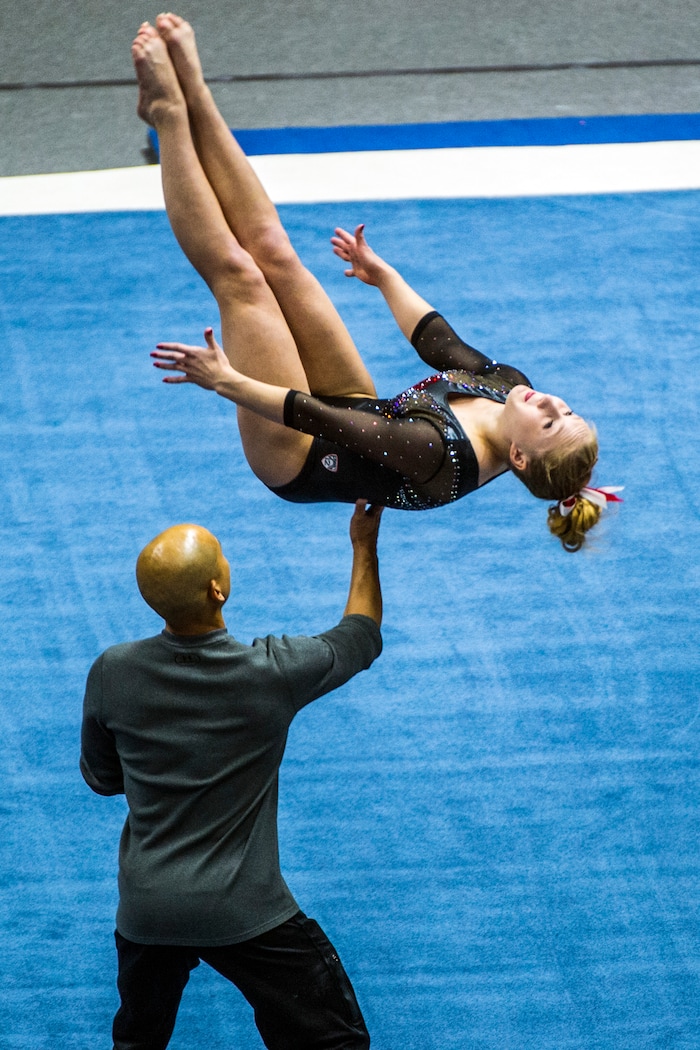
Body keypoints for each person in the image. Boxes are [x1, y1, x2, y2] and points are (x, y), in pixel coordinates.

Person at [133, 15, 620, 551]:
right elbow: (444, 346)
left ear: (520, 458)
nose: (551, 404)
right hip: (358, 407)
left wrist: (226, 381)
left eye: (551, 423)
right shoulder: (511, 389)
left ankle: (168, 115)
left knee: (241, 277)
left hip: (298, 451)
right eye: (566, 410)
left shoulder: (439, 455)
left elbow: (319, 418)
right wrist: (384, 276)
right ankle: (199, 95)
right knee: (276, 254)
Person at [80, 499, 383, 1050]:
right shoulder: (274, 673)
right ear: (218, 590)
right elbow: (360, 636)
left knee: (137, 1040)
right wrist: (364, 545)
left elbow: (103, 779)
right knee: (334, 1040)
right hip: (247, 910)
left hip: (147, 911)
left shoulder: (110, 672)